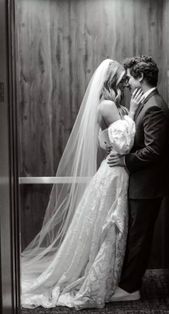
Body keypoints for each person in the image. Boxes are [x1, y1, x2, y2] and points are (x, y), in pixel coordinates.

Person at [20, 59, 143, 310]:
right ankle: (99, 278)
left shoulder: (111, 105)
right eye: (122, 80)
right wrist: (131, 112)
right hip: (112, 175)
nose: (126, 85)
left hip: (115, 172)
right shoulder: (108, 105)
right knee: (109, 226)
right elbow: (123, 145)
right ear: (112, 81)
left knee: (108, 226)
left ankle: (110, 276)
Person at [108, 56, 169, 301]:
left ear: (141, 78)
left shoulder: (155, 105)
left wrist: (125, 160)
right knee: (136, 235)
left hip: (148, 186)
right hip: (141, 183)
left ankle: (130, 289)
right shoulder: (145, 102)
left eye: (129, 78)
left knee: (139, 237)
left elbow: (154, 150)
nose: (126, 83)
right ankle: (128, 284)